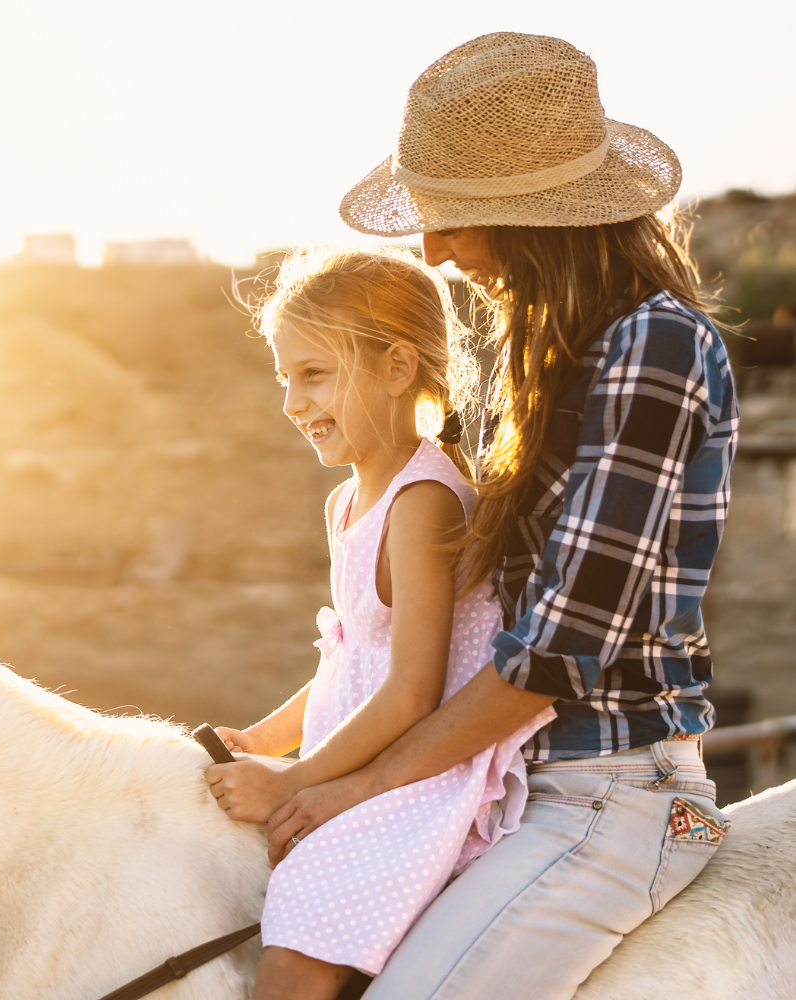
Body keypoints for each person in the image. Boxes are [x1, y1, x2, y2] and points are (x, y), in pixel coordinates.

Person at [262, 32, 737, 999]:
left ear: (539, 218)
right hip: (498, 782)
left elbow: (559, 653)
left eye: (451, 221)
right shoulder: (531, 358)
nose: (429, 253)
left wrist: (348, 785)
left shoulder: (655, 347)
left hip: (608, 791)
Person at [204, 246, 555, 1000]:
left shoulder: (421, 501)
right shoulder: (348, 502)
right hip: (360, 761)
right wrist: (260, 741)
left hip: (419, 777)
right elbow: (348, 655)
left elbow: (411, 694)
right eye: (285, 379)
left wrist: (293, 780)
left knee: (296, 954)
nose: (293, 403)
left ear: (398, 370)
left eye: (315, 375)